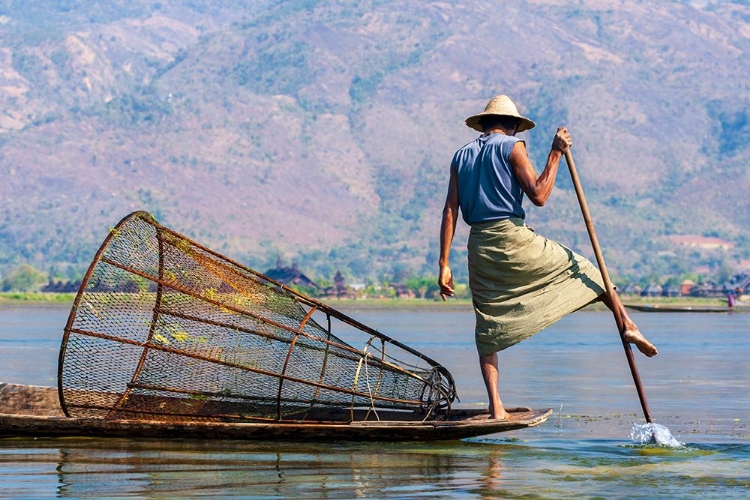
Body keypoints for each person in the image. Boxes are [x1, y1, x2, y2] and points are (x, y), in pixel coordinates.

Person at [438, 95, 658, 420]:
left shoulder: (461, 156)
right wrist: (556, 153)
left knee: (487, 327)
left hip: (479, 246)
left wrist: (444, 264)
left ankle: (496, 406)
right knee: (588, 271)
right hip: (512, 238)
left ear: (484, 123)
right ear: (513, 125)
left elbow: (450, 210)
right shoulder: (513, 148)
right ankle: (626, 323)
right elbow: (539, 195)